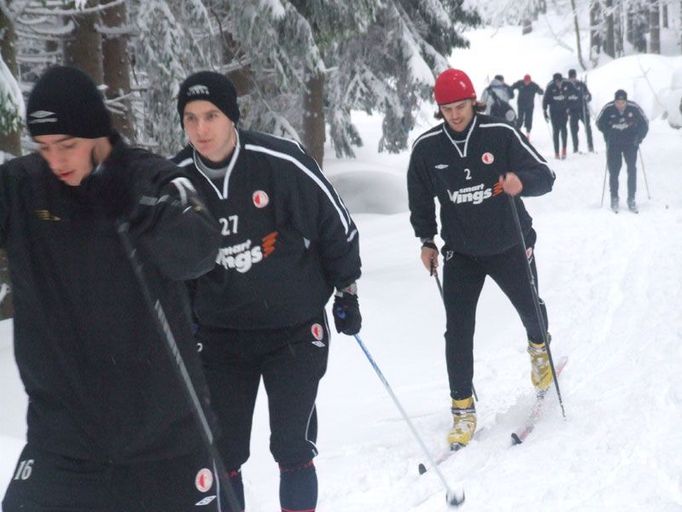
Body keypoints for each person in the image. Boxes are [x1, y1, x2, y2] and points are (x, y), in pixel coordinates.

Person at [1, 66, 223, 511]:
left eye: (68, 145)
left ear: (98, 133)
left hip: (165, 443)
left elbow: (199, 248)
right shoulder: (22, 189)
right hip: (63, 444)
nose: (57, 160)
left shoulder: (150, 179)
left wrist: (136, 210)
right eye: (44, 147)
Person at [172, 71, 362, 512]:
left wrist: (346, 292)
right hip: (220, 336)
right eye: (190, 118)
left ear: (232, 117)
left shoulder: (280, 162)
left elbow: (337, 227)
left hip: (293, 330)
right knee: (223, 452)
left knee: (292, 445)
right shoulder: (175, 181)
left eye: (211, 116)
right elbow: (164, 263)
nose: (200, 130)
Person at [407, 68, 556, 450]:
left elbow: (545, 175)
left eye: (460, 106)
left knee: (530, 307)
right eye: (446, 109)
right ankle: (462, 409)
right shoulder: (427, 149)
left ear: (474, 101)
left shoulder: (500, 135)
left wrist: (521, 183)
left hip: (510, 242)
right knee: (457, 330)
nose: (454, 115)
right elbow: (420, 200)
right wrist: (427, 241)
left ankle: (540, 351)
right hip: (462, 252)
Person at [596, 89, 649, 213]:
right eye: (618, 102)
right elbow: (599, 122)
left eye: (622, 102)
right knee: (614, 171)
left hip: (630, 144)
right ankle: (614, 197)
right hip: (614, 144)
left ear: (626, 101)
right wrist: (607, 132)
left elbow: (645, 123)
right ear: (615, 101)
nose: (620, 105)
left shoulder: (634, 108)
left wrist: (639, 137)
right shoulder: (608, 108)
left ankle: (631, 198)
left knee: (632, 170)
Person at [543, 72, 576, 159]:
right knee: (556, 131)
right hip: (554, 112)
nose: (558, 83)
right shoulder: (550, 87)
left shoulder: (567, 84)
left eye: (559, 81)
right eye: (556, 82)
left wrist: (567, 98)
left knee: (564, 129)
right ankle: (556, 152)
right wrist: (545, 111)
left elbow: (574, 92)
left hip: (563, 111)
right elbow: (545, 99)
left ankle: (564, 149)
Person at [566, 68, 594, 153]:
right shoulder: (566, 86)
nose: (573, 79)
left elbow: (589, 96)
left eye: (574, 77)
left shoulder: (581, 85)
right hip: (573, 111)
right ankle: (575, 148)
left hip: (583, 110)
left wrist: (587, 97)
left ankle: (590, 146)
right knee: (574, 129)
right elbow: (564, 98)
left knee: (587, 128)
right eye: (571, 77)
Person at [511, 74, 544, 139]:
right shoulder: (520, 83)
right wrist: (510, 91)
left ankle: (528, 134)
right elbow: (512, 87)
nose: (526, 82)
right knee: (520, 119)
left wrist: (540, 91)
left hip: (530, 105)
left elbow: (541, 91)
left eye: (528, 81)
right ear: (523, 80)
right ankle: (518, 132)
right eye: (525, 81)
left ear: (530, 80)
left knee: (529, 119)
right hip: (521, 104)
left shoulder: (533, 85)